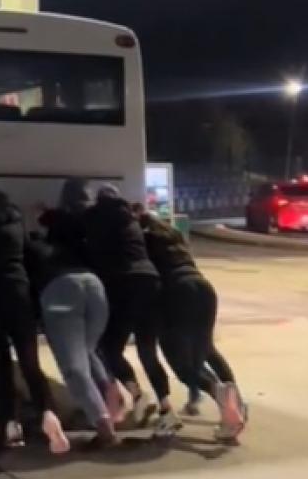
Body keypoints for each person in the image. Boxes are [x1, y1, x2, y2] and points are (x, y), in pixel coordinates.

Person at [0, 190, 69, 454]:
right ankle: (49, 415)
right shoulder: (16, 225)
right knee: (30, 363)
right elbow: (30, 254)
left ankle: (11, 426)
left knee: (2, 365)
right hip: (19, 293)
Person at [138, 210, 246, 441]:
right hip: (202, 286)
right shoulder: (173, 234)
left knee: (182, 365)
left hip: (176, 292)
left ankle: (220, 393)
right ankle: (236, 404)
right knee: (207, 349)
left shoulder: (144, 240)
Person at [84, 185, 181, 438]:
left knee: (109, 348)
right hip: (150, 281)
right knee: (148, 350)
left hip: (123, 284)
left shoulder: (96, 216)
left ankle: (137, 394)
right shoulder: (130, 218)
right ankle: (166, 408)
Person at [33, 179, 121, 447]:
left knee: (74, 367)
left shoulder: (60, 220)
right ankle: (110, 395)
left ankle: (103, 424)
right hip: (95, 286)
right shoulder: (96, 219)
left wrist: (43, 214)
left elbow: (55, 222)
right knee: (88, 350)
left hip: (62, 287)